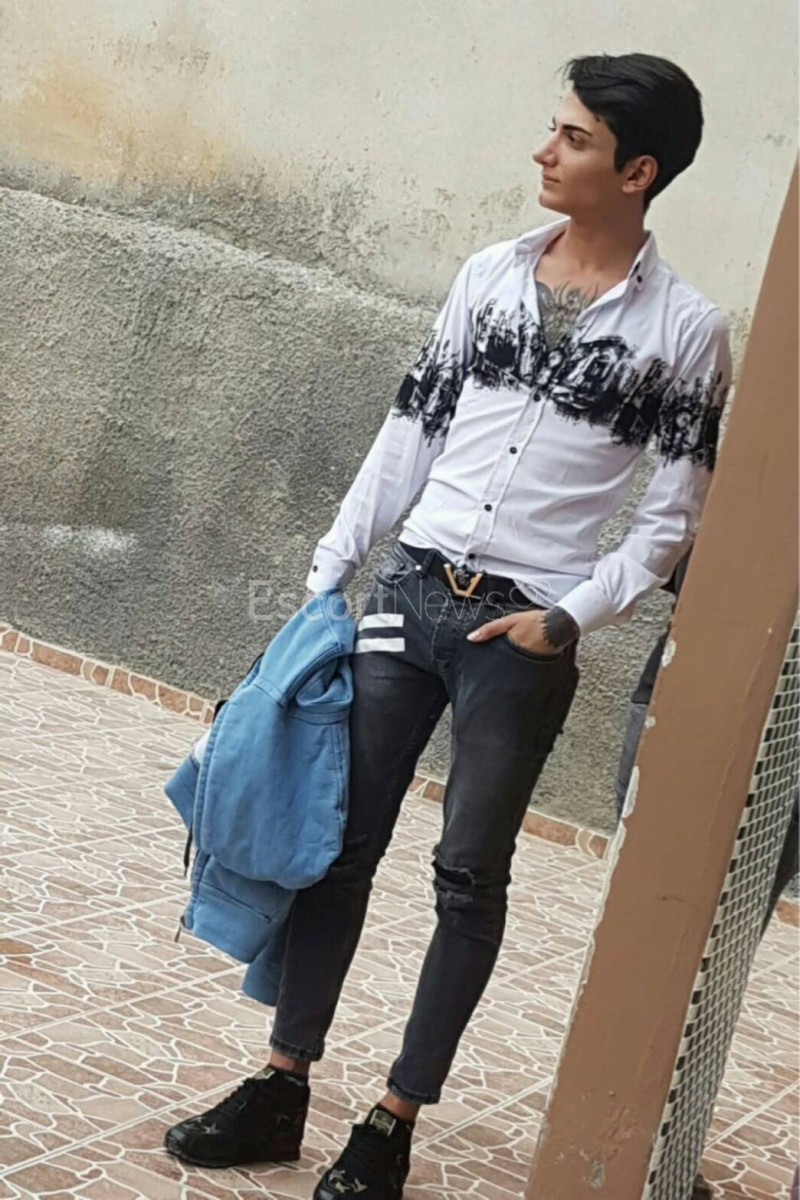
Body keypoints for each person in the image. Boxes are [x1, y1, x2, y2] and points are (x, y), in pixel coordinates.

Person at [164, 53, 734, 1198]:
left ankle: (390, 1121)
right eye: (552, 129)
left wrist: (565, 619)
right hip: (409, 591)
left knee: (467, 876)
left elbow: (669, 517)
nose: (543, 150)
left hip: (519, 633)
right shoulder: (486, 275)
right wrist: (330, 576)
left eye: (572, 138)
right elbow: (408, 434)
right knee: (338, 846)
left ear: (636, 172)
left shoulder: (685, 330)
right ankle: (281, 1083)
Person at [615, 545, 800, 1200]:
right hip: (700, 675)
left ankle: (664, 1157)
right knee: (648, 930)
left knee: (723, 953)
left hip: (783, 714)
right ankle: (618, 1149)